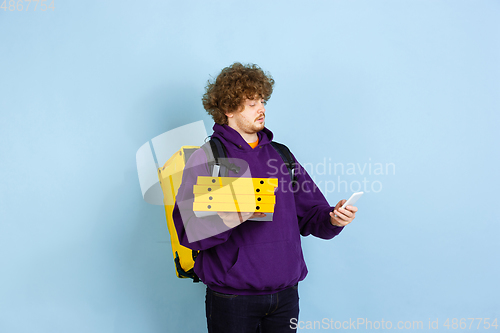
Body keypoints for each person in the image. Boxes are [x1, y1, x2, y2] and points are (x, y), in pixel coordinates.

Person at [172, 62, 358, 333]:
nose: (262, 109)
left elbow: (311, 214)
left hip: (285, 297)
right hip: (233, 298)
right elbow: (188, 230)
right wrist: (228, 218)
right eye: (251, 103)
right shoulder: (209, 157)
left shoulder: (281, 155)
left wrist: (333, 218)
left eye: (262, 100)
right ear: (228, 109)